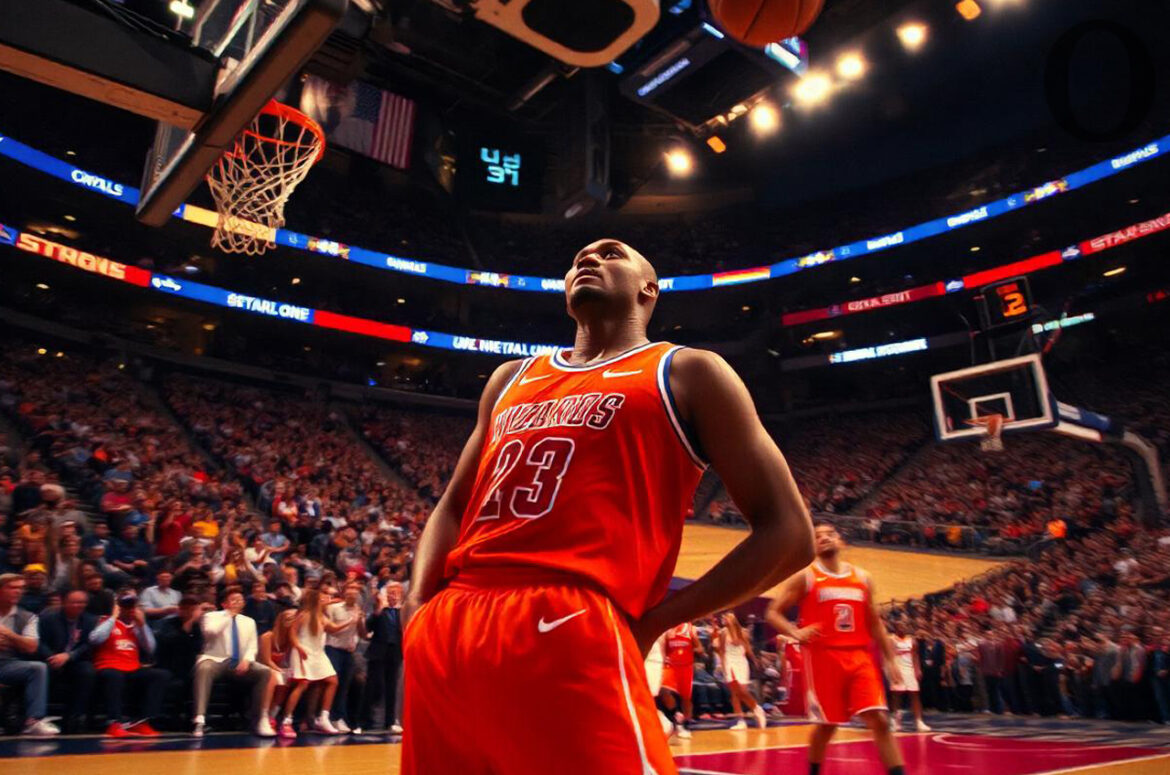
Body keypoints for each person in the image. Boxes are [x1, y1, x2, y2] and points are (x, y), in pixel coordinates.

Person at [401, 239, 814, 774]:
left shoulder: (688, 372)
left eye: (611, 253)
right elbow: (454, 505)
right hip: (451, 625)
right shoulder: (508, 379)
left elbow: (790, 534)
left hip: (572, 617)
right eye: (577, 258)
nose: (587, 260)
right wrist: (416, 603)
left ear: (649, 288)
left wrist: (654, 624)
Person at [766, 523, 906, 775]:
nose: (824, 538)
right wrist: (795, 632)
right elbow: (772, 612)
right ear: (812, 546)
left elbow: (874, 623)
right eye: (817, 536)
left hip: (859, 655)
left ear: (841, 541)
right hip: (824, 658)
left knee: (880, 720)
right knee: (827, 725)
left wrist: (890, 659)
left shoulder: (863, 578)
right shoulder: (806, 577)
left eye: (829, 534)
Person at [192, 586, 272, 737]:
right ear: (224, 604)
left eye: (240, 600)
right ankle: (199, 720)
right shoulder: (212, 616)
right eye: (233, 600)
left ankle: (259, 719)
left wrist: (247, 660)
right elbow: (211, 633)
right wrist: (229, 616)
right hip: (215, 659)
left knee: (264, 671)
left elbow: (252, 646)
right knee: (203, 668)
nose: (237, 603)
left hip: (238, 661)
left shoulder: (249, 621)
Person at [89, 589, 169, 737]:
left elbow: (151, 648)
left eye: (132, 606)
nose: (130, 610)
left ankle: (141, 722)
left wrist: (142, 625)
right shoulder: (104, 621)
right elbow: (95, 639)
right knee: (114, 676)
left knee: (161, 675)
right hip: (108, 666)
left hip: (132, 667)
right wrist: (114, 617)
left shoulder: (136, 626)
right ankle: (114, 723)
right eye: (126, 606)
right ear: (118, 607)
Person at [0, 573, 59, 735]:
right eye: (12, 588)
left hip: (6, 663)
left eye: (20, 588)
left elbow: (31, 647)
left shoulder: (28, 617)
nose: (18, 591)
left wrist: (8, 634)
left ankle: (34, 720)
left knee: (38, 668)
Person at [282, 587, 342, 736]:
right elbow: (292, 633)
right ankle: (286, 721)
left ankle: (324, 717)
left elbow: (334, 629)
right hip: (303, 651)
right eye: (322, 597)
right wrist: (298, 647)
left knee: (333, 680)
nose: (326, 599)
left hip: (317, 653)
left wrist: (350, 621)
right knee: (303, 684)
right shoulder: (304, 614)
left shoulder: (320, 616)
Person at [38, 589, 98, 733]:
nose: (79, 605)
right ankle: (38, 717)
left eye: (82, 602)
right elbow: (39, 642)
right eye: (75, 602)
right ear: (64, 602)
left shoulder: (90, 620)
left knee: (88, 671)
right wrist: (52, 657)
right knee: (41, 670)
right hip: (50, 658)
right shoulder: (48, 618)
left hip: (75, 659)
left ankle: (75, 716)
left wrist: (69, 656)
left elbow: (88, 644)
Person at [324, 580, 366, 733]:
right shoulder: (333, 608)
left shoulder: (358, 609)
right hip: (333, 649)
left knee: (344, 686)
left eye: (356, 591)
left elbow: (363, 633)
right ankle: (327, 717)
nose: (353, 593)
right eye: (350, 590)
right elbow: (330, 630)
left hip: (349, 651)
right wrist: (351, 620)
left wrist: (360, 620)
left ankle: (338, 718)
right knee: (332, 684)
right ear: (344, 593)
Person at [364, 580, 404, 734]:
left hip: (395, 652)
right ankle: (365, 721)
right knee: (373, 686)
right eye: (390, 593)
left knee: (391, 687)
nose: (393, 596)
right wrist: (379, 610)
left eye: (396, 593)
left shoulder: (402, 611)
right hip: (378, 651)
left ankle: (390, 721)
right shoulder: (380, 610)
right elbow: (369, 626)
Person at [715, 612, 767, 729]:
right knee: (735, 692)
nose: (723, 619)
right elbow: (722, 651)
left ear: (732, 619)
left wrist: (754, 660)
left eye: (725, 617)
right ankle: (741, 720)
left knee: (742, 692)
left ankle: (756, 708)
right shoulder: (723, 633)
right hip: (729, 662)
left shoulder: (743, 632)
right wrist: (722, 666)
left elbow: (747, 648)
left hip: (741, 662)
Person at [660, 620, 704, 740]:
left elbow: (700, 648)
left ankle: (685, 724)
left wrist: (690, 650)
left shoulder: (690, 629)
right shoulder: (668, 629)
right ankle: (676, 715)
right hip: (671, 666)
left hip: (686, 667)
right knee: (664, 691)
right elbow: (664, 648)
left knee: (686, 698)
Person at [258, 609, 297, 738]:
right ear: (280, 620)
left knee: (288, 679)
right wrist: (281, 671)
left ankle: (271, 717)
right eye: (287, 618)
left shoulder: (291, 639)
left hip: (277, 668)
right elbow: (266, 660)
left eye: (293, 618)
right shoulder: (267, 636)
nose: (290, 621)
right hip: (262, 667)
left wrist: (287, 671)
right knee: (276, 678)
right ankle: (263, 717)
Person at [889, 620, 930, 731]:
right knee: (896, 695)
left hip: (910, 670)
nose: (903, 627)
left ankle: (919, 721)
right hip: (898, 669)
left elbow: (915, 656)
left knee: (915, 694)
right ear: (896, 627)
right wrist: (892, 671)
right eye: (900, 625)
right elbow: (890, 657)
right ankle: (895, 721)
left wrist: (918, 669)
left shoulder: (912, 640)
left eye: (905, 625)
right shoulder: (891, 639)